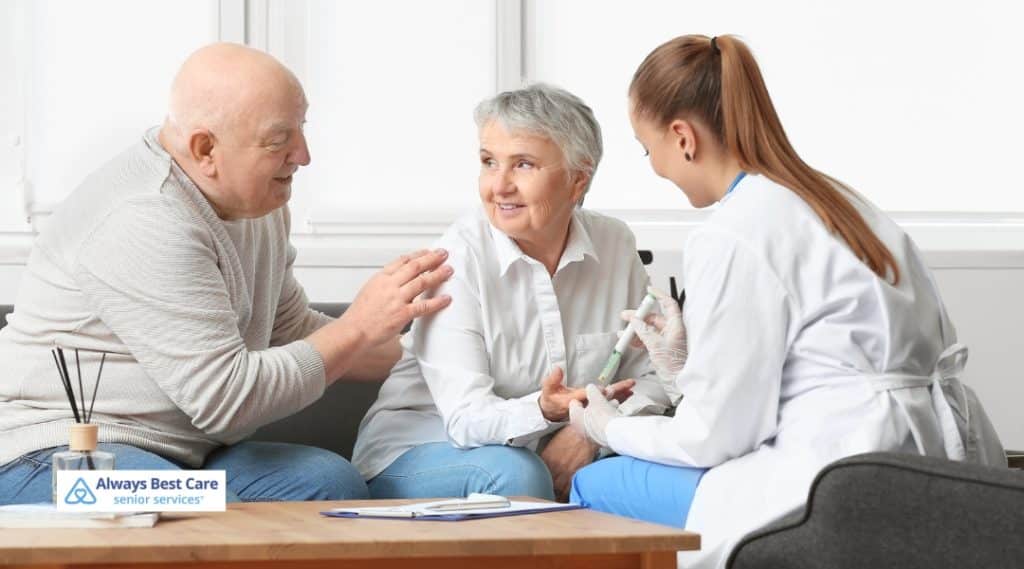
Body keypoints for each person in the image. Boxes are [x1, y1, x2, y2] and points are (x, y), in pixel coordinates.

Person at [568, 34, 1006, 568]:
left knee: (594, 485)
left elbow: (717, 438)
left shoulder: (734, 229)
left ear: (682, 137)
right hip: (930, 458)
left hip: (835, 476)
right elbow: (817, 363)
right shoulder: (839, 199)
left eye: (646, 148)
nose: (654, 167)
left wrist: (610, 427)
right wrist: (690, 372)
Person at [0, 43, 452, 504]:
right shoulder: (144, 216)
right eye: (279, 141)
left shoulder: (258, 203)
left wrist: (452, 360)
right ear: (205, 149)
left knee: (328, 483)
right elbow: (228, 402)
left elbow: (287, 330)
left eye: (302, 129)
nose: (304, 154)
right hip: (54, 450)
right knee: (200, 512)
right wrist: (359, 326)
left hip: (183, 451)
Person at [352, 84, 673, 502]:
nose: (498, 186)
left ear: (578, 179)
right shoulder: (458, 260)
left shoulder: (614, 244)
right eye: (489, 162)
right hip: (427, 449)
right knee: (516, 474)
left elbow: (651, 376)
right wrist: (544, 412)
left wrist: (592, 431)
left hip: (548, 449)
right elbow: (466, 420)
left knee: (653, 474)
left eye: (523, 165)